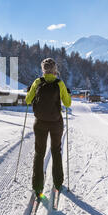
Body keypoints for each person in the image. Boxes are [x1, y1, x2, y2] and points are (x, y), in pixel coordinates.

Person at [25, 58, 71, 199]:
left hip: (40, 123)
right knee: (56, 151)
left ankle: (37, 186)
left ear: (43, 69)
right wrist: (67, 93)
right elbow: (67, 103)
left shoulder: (37, 82)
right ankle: (58, 183)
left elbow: (27, 100)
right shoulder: (59, 83)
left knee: (39, 153)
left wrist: (29, 92)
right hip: (56, 122)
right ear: (55, 69)